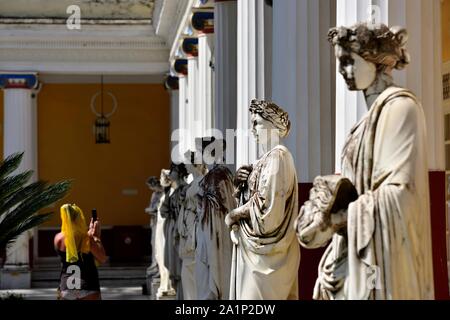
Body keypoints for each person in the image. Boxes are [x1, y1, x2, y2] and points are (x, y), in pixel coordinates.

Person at [296, 22, 434, 300]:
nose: (343, 71)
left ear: (376, 60)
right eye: (340, 63)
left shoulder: (401, 108)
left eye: (350, 61)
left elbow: (401, 195)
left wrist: (340, 218)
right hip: (352, 252)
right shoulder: (360, 125)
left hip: (382, 259)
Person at [225, 100, 300, 300]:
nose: (252, 129)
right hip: (255, 252)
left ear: (272, 124)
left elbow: (269, 213)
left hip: (267, 255)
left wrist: (234, 215)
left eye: (256, 123)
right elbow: (257, 198)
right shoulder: (264, 160)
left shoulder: (278, 157)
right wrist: (240, 187)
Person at [195, 137, 236, 300]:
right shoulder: (222, 174)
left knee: (209, 279)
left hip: (213, 237)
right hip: (215, 233)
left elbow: (215, 211)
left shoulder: (215, 176)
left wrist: (200, 197)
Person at [54, 204, 107, 300]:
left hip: (66, 287)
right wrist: (96, 237)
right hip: (88, 286)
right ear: (79, 217)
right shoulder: (88, 239)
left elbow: (71, 245)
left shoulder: (58, 238)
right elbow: (102, 258)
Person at [145, 176, 164, 278]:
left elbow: (159, 208)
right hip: (154, 221)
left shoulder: (163, 193)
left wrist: (153, 210)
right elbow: (152, 206)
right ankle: (154, 264)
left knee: (159, 244)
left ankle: (158, 266)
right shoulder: (154, 194)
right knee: (154, 243)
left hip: (160, 222)